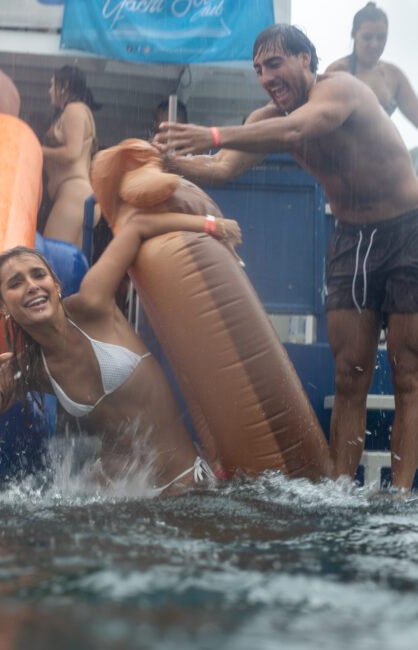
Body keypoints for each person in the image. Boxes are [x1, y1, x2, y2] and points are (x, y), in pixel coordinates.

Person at [154, 24, 418, 491]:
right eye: (258, 69)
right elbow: (223, 169)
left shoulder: (341, 88)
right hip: (351, 238)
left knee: (408, 371)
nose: (266, 77)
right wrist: (171, 165)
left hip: (407, 229)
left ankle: (399, 493)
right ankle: (339, 490)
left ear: (305, 61)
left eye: (274, 64)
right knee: (350, 372)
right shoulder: (265, 119)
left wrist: (213, 132)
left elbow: (301, 127)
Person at [0, 211, 242, 494]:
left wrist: (211, 225)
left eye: (38, 275)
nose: (30, 286)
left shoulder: (94, 305)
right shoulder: (28, 369)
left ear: (55, 284)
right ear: (3, 305)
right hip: (126, 499)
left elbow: (137, 226)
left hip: (187, 485)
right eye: (15, 284)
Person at [326, 2, 418, 128]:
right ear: (354, 34)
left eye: (381, 37)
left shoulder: (394, 75)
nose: (374, 44)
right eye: (367, 37)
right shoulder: (338, 71)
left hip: (386, 147)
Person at [42, 66, 101, 248]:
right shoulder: (79, 111)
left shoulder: (74, 109)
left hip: (74, 195)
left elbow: (71, 153)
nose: (49, 91)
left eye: (52, 85)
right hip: (80, 198)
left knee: (51, 260)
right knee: (71, 271)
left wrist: (38, 150)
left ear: (65, 86)